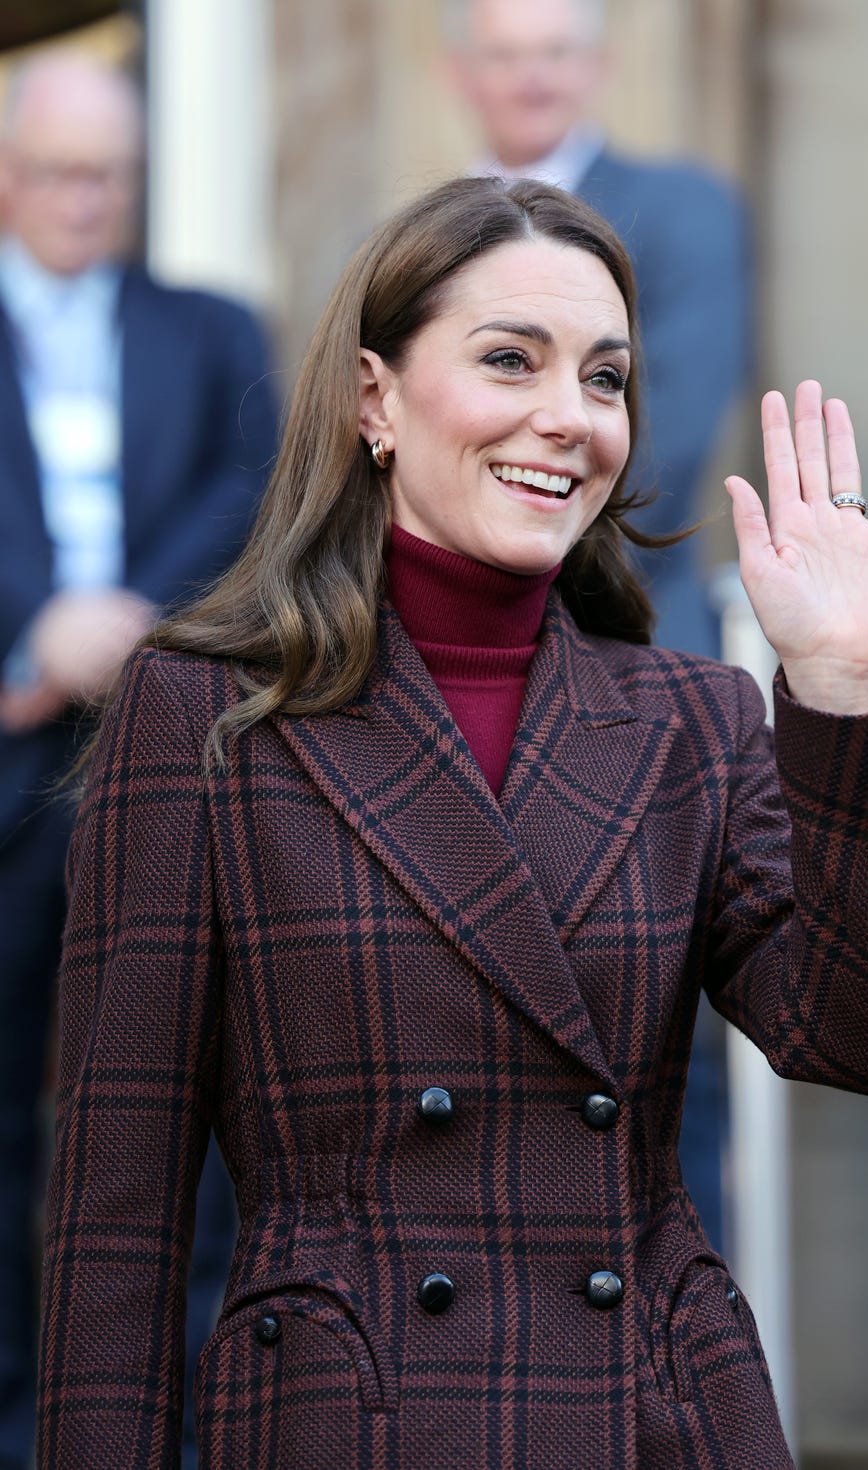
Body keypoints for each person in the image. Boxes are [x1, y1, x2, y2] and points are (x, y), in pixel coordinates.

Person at [37, 177, 868, 1469]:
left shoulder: (692, 714)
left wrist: (839, 687)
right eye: (509, 360)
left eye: (606, 377)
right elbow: (118, 1208)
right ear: (375, 399)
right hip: (349, 1420)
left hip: (657, 1415)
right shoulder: (204, 711)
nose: (565, 418)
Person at [0, 52, 278, 1469]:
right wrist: (33, 638)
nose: (83, 199)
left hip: (174, 759)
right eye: (56, 171)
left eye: (106, 173)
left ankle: (190, 1407)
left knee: (197, 1094)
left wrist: (121, 628)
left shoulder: (217, 330)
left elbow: (254, 490)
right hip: (7, 756)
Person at [445, 0, 753, 1253]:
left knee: (660, 1047)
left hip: (631, 659)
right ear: (460, 74)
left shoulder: (677, 213)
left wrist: (488, 529)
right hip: (444, 677)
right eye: (505, 53)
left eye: (554, 50)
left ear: (599, 66)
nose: (530, 77)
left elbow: (661, 441)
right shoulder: (416, 239)